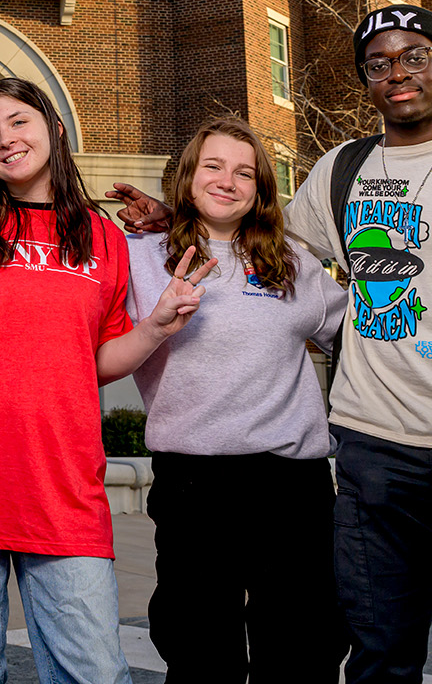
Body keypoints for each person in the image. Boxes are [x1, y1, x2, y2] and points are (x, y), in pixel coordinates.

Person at [115, 4, 432, 683]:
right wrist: (176, 218)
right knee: (377, 658)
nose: (397, 73)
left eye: (414, 56)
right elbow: (255, 236)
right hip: (375, 453)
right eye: (378, 63)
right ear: (366, 81)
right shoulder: (340, 171)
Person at [0, 78, 203, 684]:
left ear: (54, 130)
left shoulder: (104, 238)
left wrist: (156, 326)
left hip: (63, 484)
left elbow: (94, 357)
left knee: (95, 672)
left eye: (18, 122)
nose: (6, 140)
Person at [124, 117, 347, 684]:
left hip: (292, 486)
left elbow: (364, 337)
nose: (228, 181)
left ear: (261, 189)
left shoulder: (293, 261)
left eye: (245, 172)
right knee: (200, 651)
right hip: (193, 484)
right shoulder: (141, 256)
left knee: (303, 650)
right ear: (188, 176)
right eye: (214, 166)